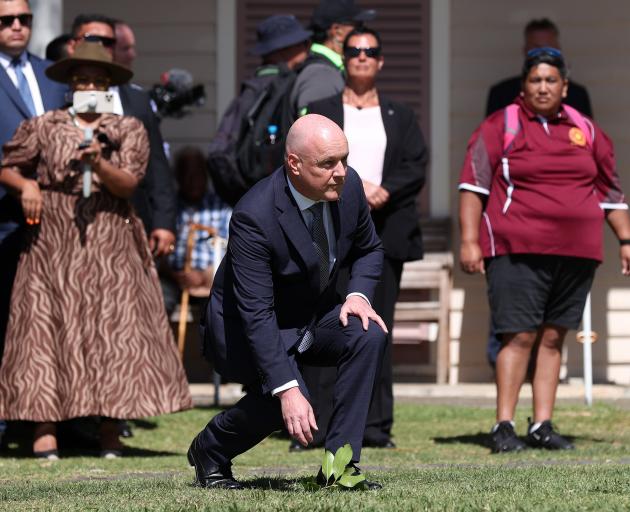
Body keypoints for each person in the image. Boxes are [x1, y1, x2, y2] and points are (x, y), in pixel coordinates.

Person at [0, 42, 192, 459]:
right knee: (45, 329)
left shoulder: (127, 129)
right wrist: (28, 185)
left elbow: (128, 184)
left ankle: (110, 429)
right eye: (82, 79)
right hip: (54, 240)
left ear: (109, 85)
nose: (89, 85)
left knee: (114, 331)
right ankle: (43, 427)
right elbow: (7, 165)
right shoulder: (43, 125)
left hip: (110, 238)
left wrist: (99, 163)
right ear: (70, 85)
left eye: (98, 80)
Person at [187, 114, 388, 490]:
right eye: (327, 163)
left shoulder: (351, 186)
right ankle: (210, 449)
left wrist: (358, 295)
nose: (340, 172)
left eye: (343, 159)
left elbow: (369, 248)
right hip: (245, 326)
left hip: (308, 317)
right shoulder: (254, 215)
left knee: (367, 334)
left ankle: (339, 468)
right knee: (288, 403)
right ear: (293, 164)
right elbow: (256, 312)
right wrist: (288, 388)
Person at [459, 47, 630, 453]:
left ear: (564, 87)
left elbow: (610, 190)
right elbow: (473, 185)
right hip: (517, 247)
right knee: (518, 336)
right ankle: (504, 425)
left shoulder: (585, 130)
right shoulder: (501, 125)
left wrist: (626, 239)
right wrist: (469, 240)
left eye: (551, 80)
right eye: (535, 80)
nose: (542, 87)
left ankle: (542, 425)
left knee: (553, 338)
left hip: (577, 253)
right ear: (524, 86)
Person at [307, 26, 427, 449]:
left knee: (376, 328)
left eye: (370, 51)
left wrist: (382, 190)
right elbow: (302, 161)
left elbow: (416, 163)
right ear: (344, 57)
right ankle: (314, 424)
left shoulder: (400, 114)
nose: (361, 56)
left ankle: (375, 426)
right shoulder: (320, 109)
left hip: (385, 231)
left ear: (380, 61)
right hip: (327, 233)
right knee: (323, 327)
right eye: (354, 50)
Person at [0, 0, 68, 448]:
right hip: (4, 217)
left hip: (54, 223)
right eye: (6, 20)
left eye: (25, 18)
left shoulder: (52, 73)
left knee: (44, 325)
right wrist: (19, 180)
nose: (18, 27)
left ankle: (46, 421)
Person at [68, 14, 177, 259]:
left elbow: (157, 164)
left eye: (108, 42)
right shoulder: (58, 95)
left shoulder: (137, 100)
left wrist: (164, 221)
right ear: (72, 44)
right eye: (92, 40)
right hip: (73, 221)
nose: (101, 47)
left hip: (131, 219)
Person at [163, 146, 232, 313]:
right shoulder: (167, 208)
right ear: (178, 177)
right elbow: (156, 251)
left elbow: (229, 250)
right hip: (173, 279)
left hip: (210, 281)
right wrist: (176, 275)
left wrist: (204, 275)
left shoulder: (221, 208)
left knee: (218, 308)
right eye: (187, 175)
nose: (193, 181)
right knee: (158, 300)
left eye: (198, 175)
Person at [486, 18, 592, 117]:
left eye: (548, 47)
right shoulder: (501, 94)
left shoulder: (577, 95)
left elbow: (589, 134)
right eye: (536, 47)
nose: (542, 52)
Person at [290, 0, 375, 115]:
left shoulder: (327, 69)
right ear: (337, 31)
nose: (362, 32)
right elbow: (313, 127)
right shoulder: (321, 74)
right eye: (358, 26)